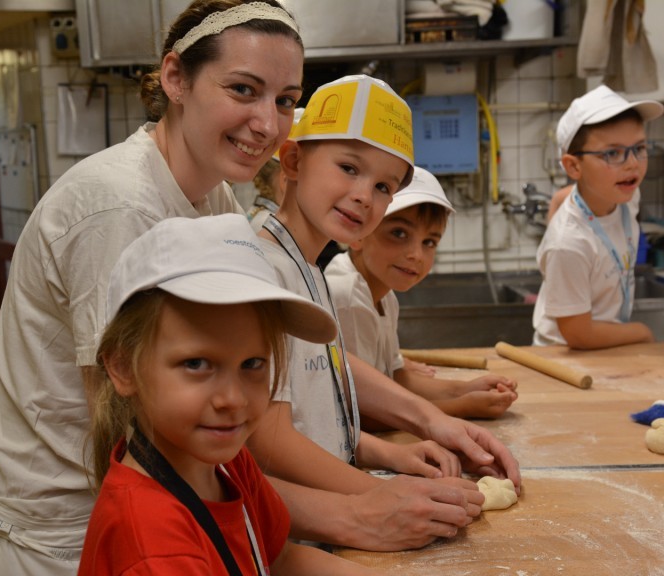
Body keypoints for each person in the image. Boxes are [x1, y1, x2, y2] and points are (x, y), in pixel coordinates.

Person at [0, 2, 306, 574]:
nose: (268, 122)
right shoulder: (118, 206)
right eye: (243, 89)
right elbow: (127, 429)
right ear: (175, 78)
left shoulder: (210, 192)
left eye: (285, 99)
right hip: (52, 533)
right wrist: (353, 512)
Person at [249, 74, 521, 551]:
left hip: (322, 521)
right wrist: (381, 492)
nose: (364, 195)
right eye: (349, 168)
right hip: (287, 533)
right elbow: (266, 437)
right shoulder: (258, 269)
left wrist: (411, 439)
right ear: (292, 159)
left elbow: (320, 392)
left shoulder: (308, 266)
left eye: (382, 185)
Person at [79, 214, 381, 575]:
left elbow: (280, 559)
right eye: (196, 364)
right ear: (123, 368)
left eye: (252, 363)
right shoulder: (154, 547)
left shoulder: (224, 462)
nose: (233, 399)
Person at [325, 166, 518, 422]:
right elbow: (356, 413)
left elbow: (395, 377)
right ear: (358, 234)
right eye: (399, 233)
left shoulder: (384, 295)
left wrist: (465, 389)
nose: (416, 254)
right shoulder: (347, 296)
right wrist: (460, 408)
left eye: (429, 242)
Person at [533, 84, 663, 349]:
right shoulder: (569, 243)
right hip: (564, 356)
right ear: (573, 166)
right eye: (612, 153)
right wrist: (642, 332)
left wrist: (558, 204)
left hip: (602, 346)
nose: (632, 163)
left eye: (638, 148)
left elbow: (563, 195)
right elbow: (578, 334)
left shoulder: (625, 195)